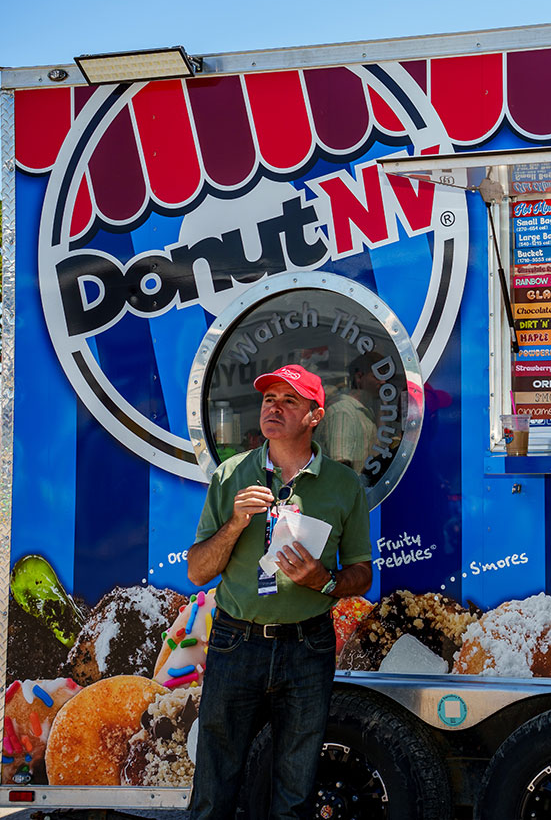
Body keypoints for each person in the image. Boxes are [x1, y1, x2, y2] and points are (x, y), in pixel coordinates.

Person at [187, 364, 373, 820]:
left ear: (315, 416)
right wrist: (235, 524)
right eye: (269, 399)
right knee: (213, 789)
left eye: (289, 401)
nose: (274, 408)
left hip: (308, 646)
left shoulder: (344, 485)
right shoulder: (231, 475)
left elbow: (362, 574)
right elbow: (197, 572)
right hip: (236, 641)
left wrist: (323, 580)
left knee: (294, 792)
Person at [319, 351, 385, 473]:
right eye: (377, 376)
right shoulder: (343, 412)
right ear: (359, 377)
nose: (383, 382)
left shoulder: (364, 412)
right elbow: (339, 467)